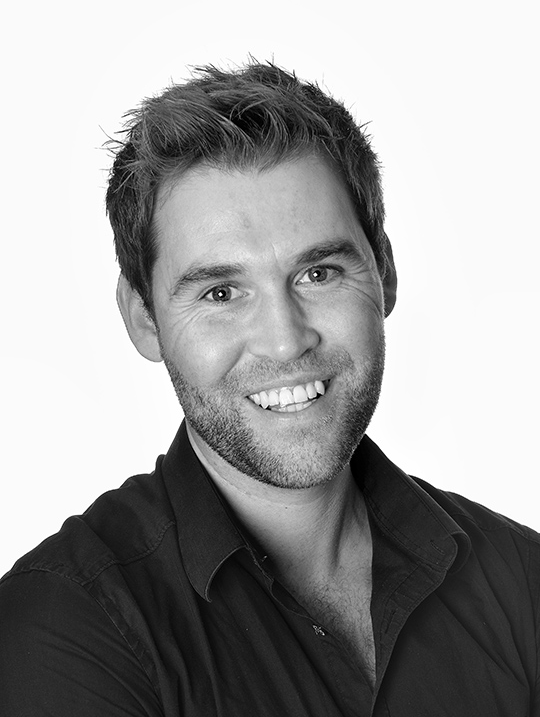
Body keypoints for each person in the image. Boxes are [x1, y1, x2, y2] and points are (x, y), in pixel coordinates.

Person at [0, 61, 538, 717]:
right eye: (221, 293)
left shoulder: (523, 582)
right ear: (144, 318)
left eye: (319, 273)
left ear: (385, 272)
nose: (285, 343)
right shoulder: (66, 627)